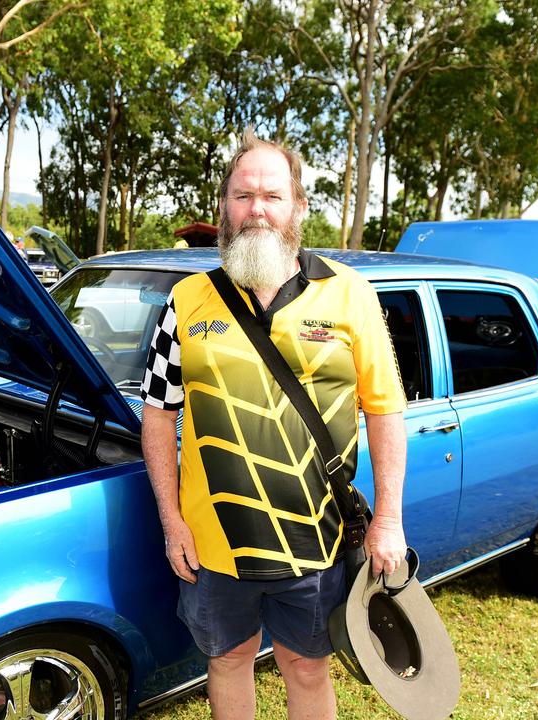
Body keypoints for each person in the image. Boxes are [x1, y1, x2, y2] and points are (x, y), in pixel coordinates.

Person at [139, 130, 407, 720]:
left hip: (316, 542)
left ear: (299, 207)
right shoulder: (186, 300)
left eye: (272, 195)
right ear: (224, 208)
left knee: (307, 668)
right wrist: (171, 521)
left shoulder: (350, 294)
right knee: (228, 661)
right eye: (242, 195)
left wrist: (388, 519)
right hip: (214, 543)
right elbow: (158, 413)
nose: (256, 208)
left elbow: (385, 408)